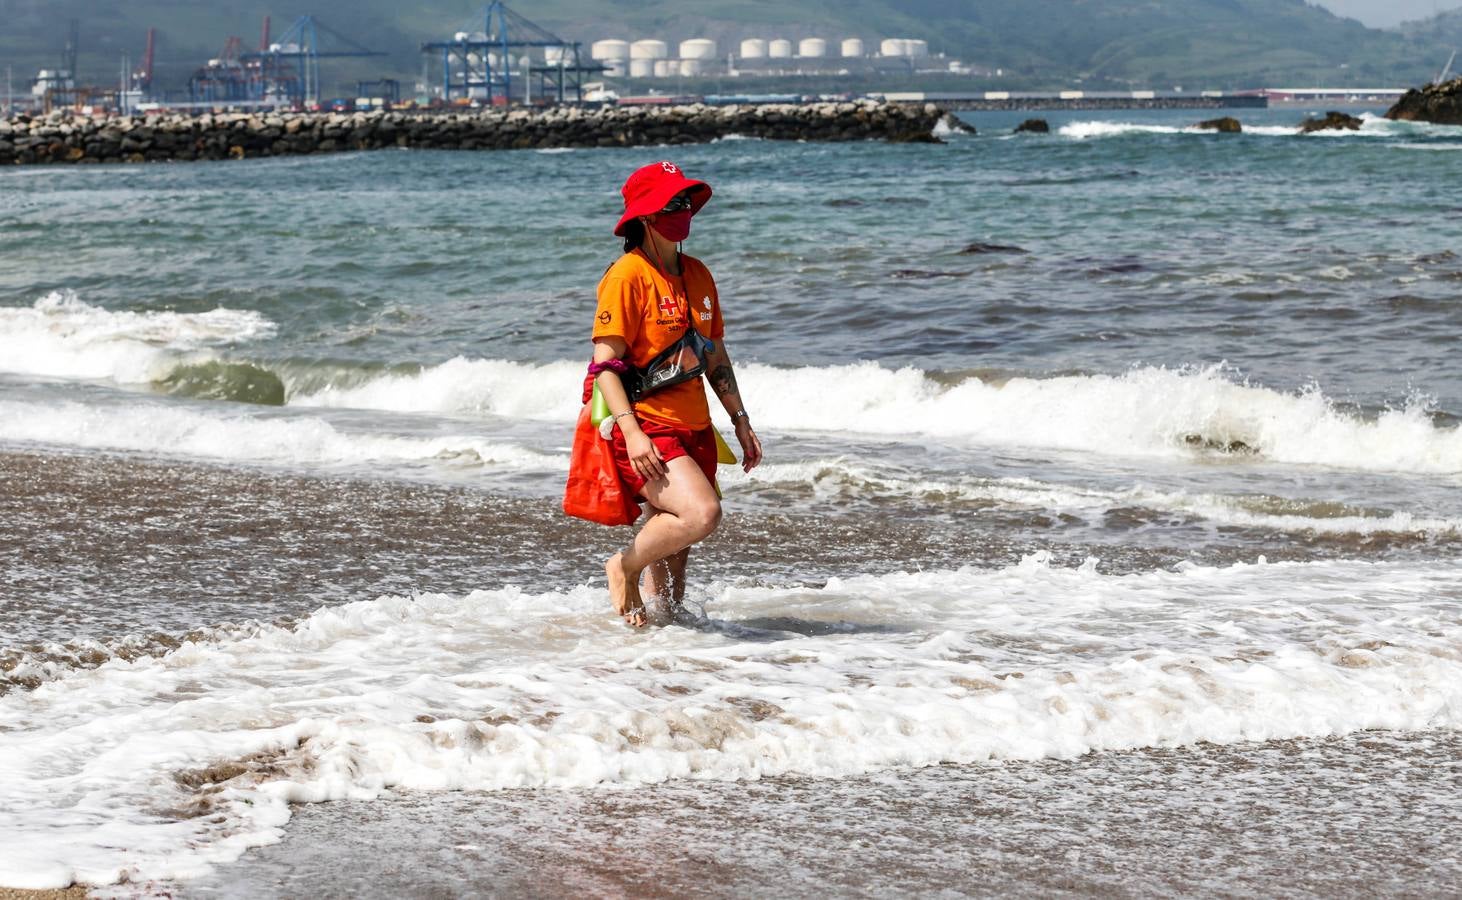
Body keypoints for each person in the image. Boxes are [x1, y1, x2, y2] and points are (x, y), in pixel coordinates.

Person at [589, 160, 762, 627]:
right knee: (701, 513)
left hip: (696, 424)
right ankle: (622, 566)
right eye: (671, 202)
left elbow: (715, 357)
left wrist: (740, 420)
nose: (681, 209)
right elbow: (605, 367)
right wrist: (633, 434)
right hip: (646, 423)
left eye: (685, 201)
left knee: (677, 545)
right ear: (645, 215)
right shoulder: (627, 275)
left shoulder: (699, 274)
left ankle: (665, 640)